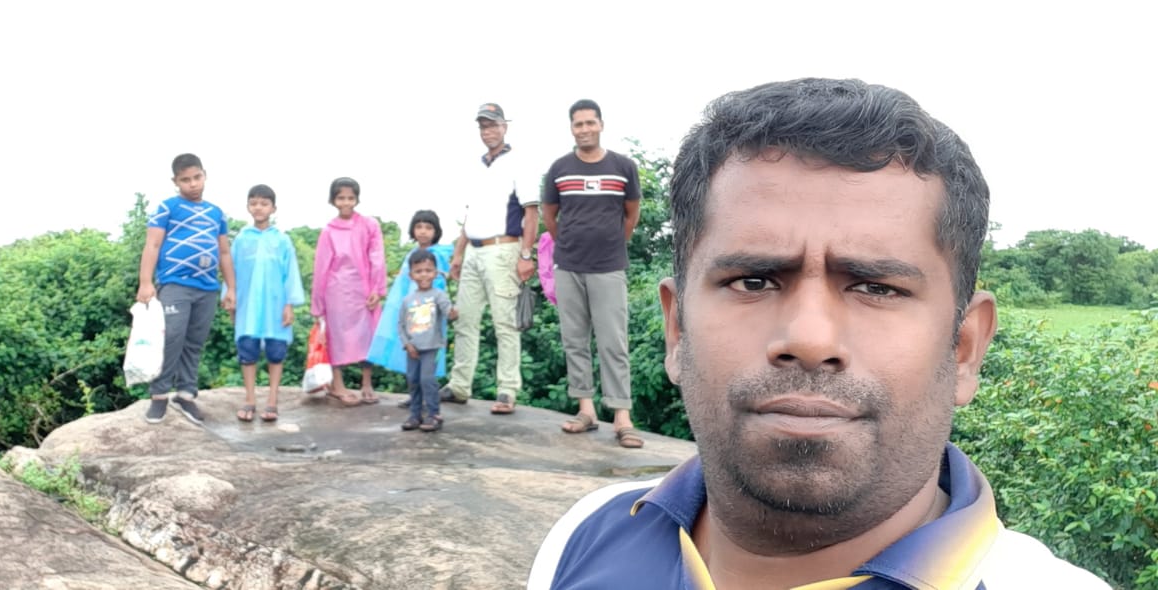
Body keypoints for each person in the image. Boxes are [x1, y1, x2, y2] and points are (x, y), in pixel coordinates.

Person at [528, 79, 1109, 589]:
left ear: (964, 348)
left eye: (876, 287)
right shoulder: (584, 537)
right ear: (677, 328)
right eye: (753, 280)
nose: (809, 339)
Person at [541, 99, 643, 449]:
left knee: (614, 341)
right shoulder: (559, 169)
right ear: (571, 128)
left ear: (601, 124)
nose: (584, 129)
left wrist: (612, 243)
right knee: (574, 340)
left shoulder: (623, 167)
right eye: (578, 124)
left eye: (589, 123)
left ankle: (622, 417)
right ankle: (586, 410)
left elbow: (631, 214)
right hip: (569, 265)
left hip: (609, 266)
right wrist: (569, 244)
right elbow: (550, 216)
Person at [443, 102, 538, 415]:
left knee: (505, 323)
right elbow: (470, 214)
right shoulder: (476, 166)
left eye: (493, 125)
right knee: (465, 320)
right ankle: (459, 386)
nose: (488, 131)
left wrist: (526, 255)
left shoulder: (519, 162)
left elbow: (531, 212)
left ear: (504, 127)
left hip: (504, 248)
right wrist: (458, 253)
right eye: (483, 126)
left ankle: (507, 389)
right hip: (473, 248)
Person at [136, 153, 235, 425]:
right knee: (172, 338)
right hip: (174, 284)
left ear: (205, 175)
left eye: (197, 177)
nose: (192, 184)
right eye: (185, 180)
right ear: (175, 181)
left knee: (194, 341)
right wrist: (145, 282)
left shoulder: (216, 213)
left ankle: (186, 394)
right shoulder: (167, 208)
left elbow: (224, 253)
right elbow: (152, 245)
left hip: (207, 288)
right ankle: (159, 396)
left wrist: (231, 288)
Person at [230, 184, 306, 423]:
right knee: (247, 350)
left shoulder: (282, 240)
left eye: (264, 204)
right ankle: (250, 399)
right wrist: (230, 298)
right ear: (247, 207)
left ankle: (272, 400)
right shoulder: (241, 239)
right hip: (247, 305)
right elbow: (231, 271)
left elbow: (290, 273)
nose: (258, 208)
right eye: (254, 203)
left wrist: (289, 304)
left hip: (276, 305)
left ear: (273, 208)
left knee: (276, 352)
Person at [312, 177, 387, 406]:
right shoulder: (329, 231)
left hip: (364, 291)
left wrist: (377, 289)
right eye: (341, 198)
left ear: (357, 199)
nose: (346, 202)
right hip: (337, 291)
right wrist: (318, 305)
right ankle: (338, 385)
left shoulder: (369, 225)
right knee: (336, 337)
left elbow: (377, 257)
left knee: (368, 335)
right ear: (333, 200)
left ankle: (367, 383)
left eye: (350, 198)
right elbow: (321, 268)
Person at [369, 209, 455, 382]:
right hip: (410, 310)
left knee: (427, 356)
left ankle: (427, 394)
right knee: (411, 354)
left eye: (428, 228)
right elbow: (402, 285)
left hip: (428, 312)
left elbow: (439, 285)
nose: (423, 231)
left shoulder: (438, 255)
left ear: (436, 231)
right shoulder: (411, 254)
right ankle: (415, 393)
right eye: (419, 227)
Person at [398, 248, 456, 433]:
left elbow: (448, 311)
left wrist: (453, 312)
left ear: (435, 273)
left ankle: (433, 414)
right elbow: (401, 325)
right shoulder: (407, 300)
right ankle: (415, 414)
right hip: (412, 348)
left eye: (428, 270)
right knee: (413, 380)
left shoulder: (438, 295)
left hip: (431, 347)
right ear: (411, 275)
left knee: (427, 379)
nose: (424, 275)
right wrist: (407, 344)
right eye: (418, 271)